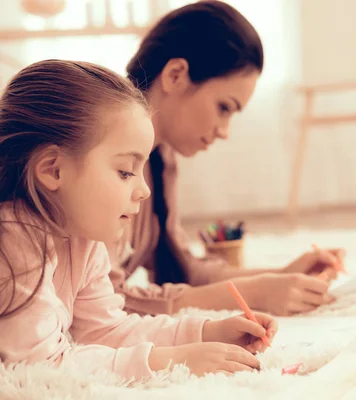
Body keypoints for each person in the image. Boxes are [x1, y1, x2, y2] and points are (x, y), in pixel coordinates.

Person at [0, 59, 277, 380]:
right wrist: (171, 361)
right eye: (125, 172)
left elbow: (107, 330)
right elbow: (39, 369)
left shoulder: (83, 241)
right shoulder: (13, 238)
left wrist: (206, 332)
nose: (143, 190)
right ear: (53, 169)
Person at [110, 0, 345, 317]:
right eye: (224, 108)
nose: (224, 132)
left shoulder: (160, 156)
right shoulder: (106, 157)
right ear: (175, 75)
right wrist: (255, 294)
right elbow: (102, 304)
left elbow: (182, 267)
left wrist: (281, 276)